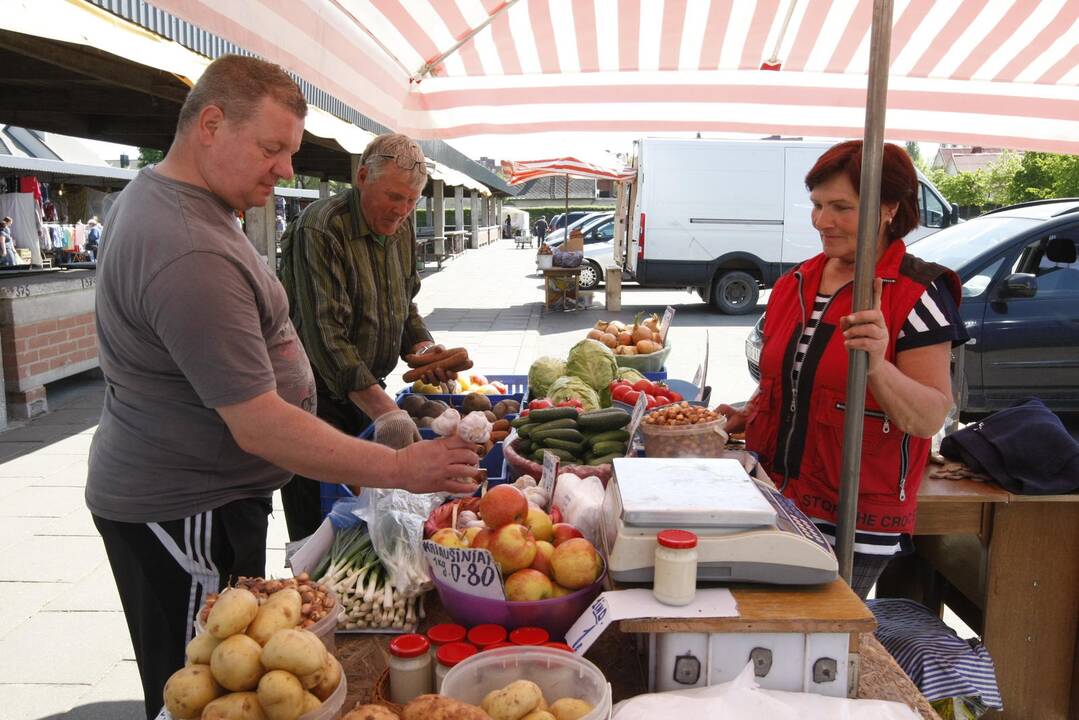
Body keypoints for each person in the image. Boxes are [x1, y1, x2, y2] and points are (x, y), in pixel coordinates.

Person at [86, 55, 481, 720]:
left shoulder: (190, 207)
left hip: (209, 495)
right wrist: (396, 467)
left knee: (227, 686)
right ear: (210, 124)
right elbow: (261, 424)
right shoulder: (189, 247)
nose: (285, 170)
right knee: (201, 691)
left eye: (289, 151)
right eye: (271, 148)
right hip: (184, 506)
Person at [718, 140, 968, 599]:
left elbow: (930, 416)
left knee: (808, 637)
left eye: (841, 208)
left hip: (854, 515)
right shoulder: (796, 282)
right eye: (816, 205)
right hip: (773, 495)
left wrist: (877, 365)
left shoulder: (917, 293)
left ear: (888, 208)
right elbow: (794, 380)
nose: (821, 221)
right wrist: (748, 413)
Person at [278, 132, 464, 541]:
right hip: (314, 404)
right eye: (394, 197)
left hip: (365, 396)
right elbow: (327, 340)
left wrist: (424, 349)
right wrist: (386, 411)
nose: (402, 211)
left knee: (369, 524)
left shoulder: (401, 229)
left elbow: (404, 306)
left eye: (412, 200)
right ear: (362, 177)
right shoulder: (321, 229)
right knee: (319, 533)